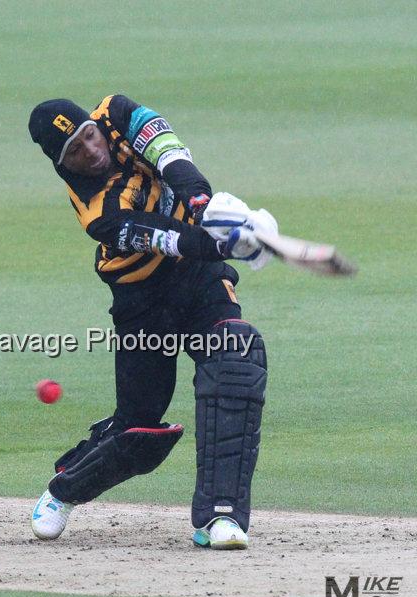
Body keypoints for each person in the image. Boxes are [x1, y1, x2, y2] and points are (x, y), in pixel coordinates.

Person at [27, 95, 276, 549]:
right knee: (138, 428)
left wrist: (206, 204)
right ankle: (63, 490)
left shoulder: (117, 114)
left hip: (200, 282)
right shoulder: (98, 215)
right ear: (62, 165)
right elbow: (170, 240)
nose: (92, 149)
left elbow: (171, 155)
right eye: (76, 152)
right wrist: (224, 241)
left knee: (235, 360)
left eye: (88, 135)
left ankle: (221, 518)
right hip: (142, 300)